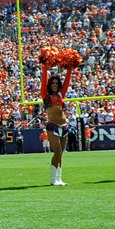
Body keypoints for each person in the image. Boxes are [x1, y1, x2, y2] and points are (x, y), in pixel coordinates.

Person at [41, 47, 79, 186]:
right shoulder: (46, 95)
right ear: (50, 85)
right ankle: (53, 179)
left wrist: (70, 67)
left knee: (61, 153)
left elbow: (67, 80)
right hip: (53, 126)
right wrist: (45, 66)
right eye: (53, 83)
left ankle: (59, 178)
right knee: (56, 151)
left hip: (64, 126)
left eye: (57, 83)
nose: (55, 85)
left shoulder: (61, 94)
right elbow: (44, 79)